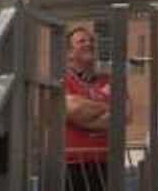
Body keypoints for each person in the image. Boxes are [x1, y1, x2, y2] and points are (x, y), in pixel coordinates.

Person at [62, 22, 113, 190]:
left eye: (91, 41)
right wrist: (108, 107)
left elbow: (124, 114)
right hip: (72, 166)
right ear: (69, 52)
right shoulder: (61, 80)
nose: (89, 44)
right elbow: (72, 109)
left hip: (105, 164)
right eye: (82, 41)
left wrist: (86, 115)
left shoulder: (108, 80)